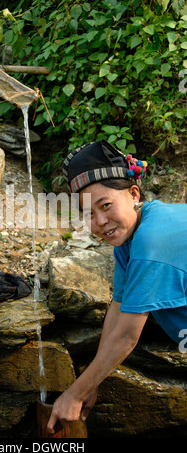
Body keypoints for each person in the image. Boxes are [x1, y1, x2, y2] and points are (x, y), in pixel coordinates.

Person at [47, 139, 187, 434]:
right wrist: (91, 383)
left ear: (133, 193)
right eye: (88, 214)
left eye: (106, 205)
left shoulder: (153, 240)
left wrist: (74, 394)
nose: (100, 222)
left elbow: (126, 336)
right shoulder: (134, 235)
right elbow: (118, 308)